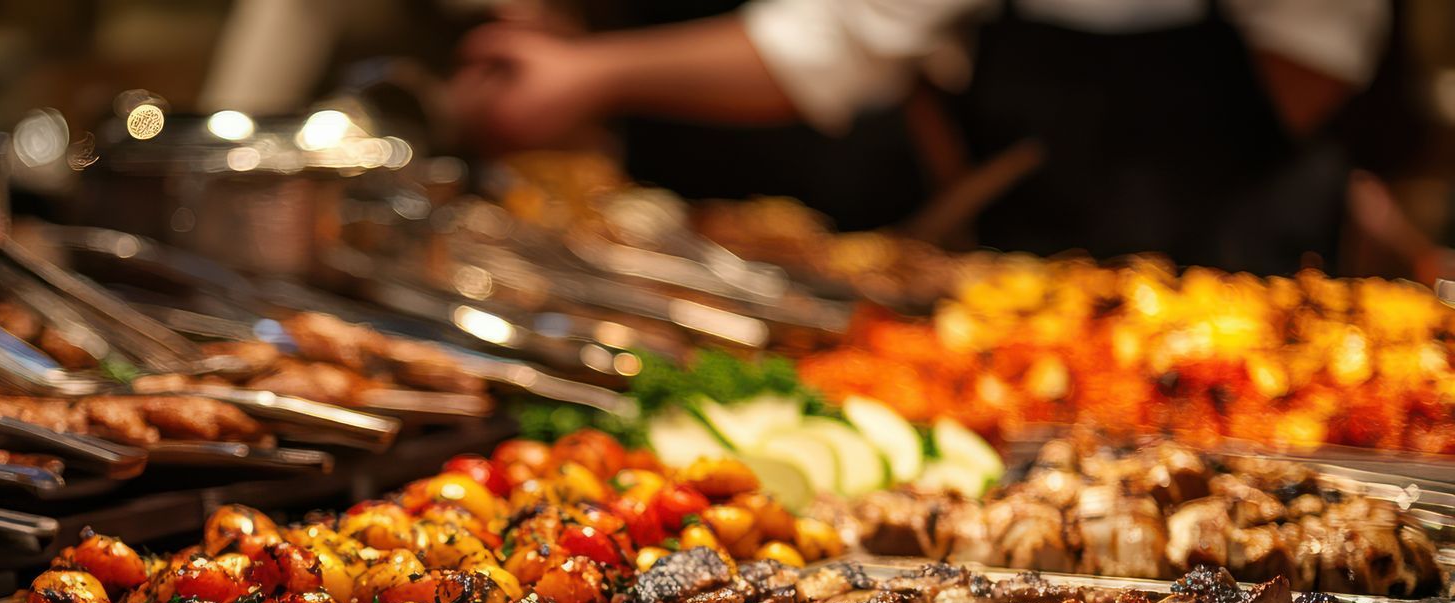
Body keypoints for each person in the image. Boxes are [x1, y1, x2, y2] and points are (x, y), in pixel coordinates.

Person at [451, 0, 1391, 273]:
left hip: (1251, 255)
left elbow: (1318, 61)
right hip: (1032, 272)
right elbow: (835, 38)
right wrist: (597, 74)